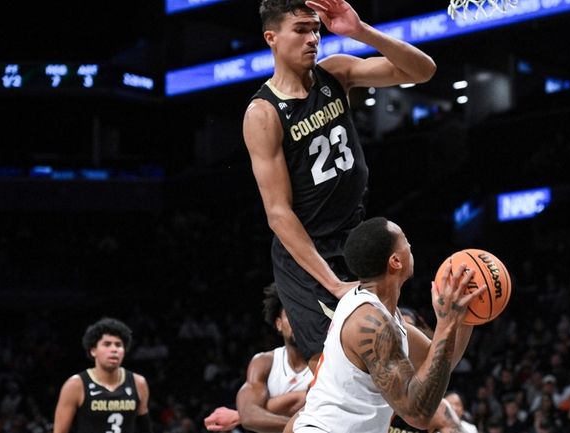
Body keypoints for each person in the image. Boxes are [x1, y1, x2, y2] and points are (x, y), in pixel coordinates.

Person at [244, 0, 437, 372]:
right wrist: (333, 285)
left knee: (418, 359)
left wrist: (360, 30)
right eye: (301, 30)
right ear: (272, 37)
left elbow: (423, 70)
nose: (313, 38)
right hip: (310, 255)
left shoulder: (336, 73)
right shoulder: (263, 113)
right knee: (334, 371)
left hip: (353, 237)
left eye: (316, 29)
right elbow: (279, 214)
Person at [291, 217, 486, 432]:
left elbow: (437, 364)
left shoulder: (384, 313)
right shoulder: (370, 322)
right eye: (404, 240)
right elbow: (417, 414)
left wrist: (467, 316)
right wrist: (446, 323)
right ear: (395, 261)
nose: (410, 245)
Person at [204, 283, 312, 432]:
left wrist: (247, 414)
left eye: (302, 315)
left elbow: (307, 401)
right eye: (290, 314)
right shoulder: (264, 362)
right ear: (279, 324)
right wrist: (303, 426)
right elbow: (249, 416)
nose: (297, 321)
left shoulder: (327, 360)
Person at [53, 318, 151, 433]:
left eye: (118, 345)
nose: (114, 349)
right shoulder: (75, 385)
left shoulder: (139, 383)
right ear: (93, 351)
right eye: (107, 344)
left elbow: (145, 429)